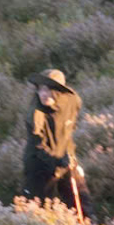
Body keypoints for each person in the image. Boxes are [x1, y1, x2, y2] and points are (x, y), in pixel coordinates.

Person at [21, 68, 85, 213]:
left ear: (58, 91)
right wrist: (58, 161)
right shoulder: (35, 113)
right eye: (41, 89)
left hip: (65, 157)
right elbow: (38, 145)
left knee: (80, 200)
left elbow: (69, 130)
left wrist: (70, 156)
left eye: (49, 90)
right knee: (36, 207)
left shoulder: (72, 100)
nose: (43, 94)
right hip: (38, 163)